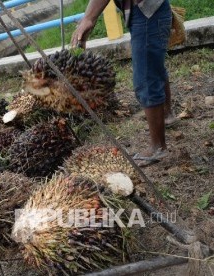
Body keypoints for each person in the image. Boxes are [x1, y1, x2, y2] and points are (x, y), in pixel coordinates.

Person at [71, 0, 177, 167]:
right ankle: (166, 114)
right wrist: (89, 19)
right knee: (153, 66)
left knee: (146, 79)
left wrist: (89, 18)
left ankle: (158, 147)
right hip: (148, 11)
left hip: (148, 12)